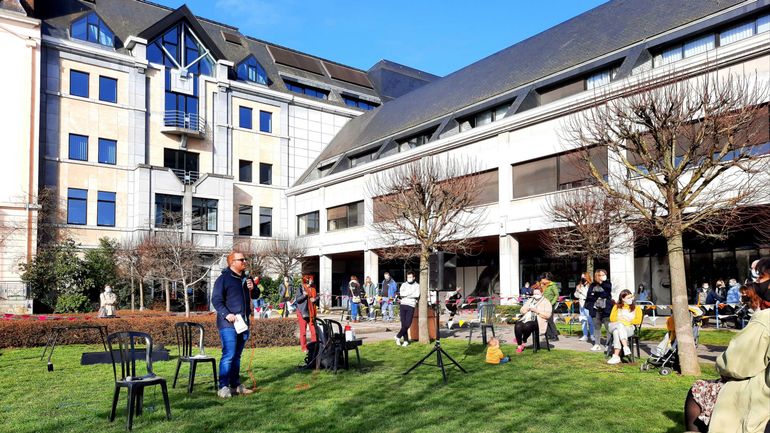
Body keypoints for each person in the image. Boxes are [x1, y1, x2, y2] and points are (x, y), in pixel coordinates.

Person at [684, 276, 770, 433]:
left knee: (698, 390)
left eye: (761, 277)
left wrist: (721, 364)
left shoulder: (764, 320)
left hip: (760, 392)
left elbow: (734, 364)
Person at [212, 251, 254, 398]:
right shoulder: (223, 279)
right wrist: (226, 314)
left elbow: (255, 296)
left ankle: (235, 385)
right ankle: (223, 387)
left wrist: (252, 288)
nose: (244, 262)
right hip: (228, 324)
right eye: (241, 259)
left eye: (245, 259)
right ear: (232, 262)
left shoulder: (245, 279)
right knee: (229, 354)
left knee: (237, 356)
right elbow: (216, 300)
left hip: (243, 323)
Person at [606, 289, 643, 365]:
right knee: (619, 325)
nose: (631, 299)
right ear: (623, 299)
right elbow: (612, 318)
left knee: (617, 332)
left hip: (628, 328)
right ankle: (625, 346)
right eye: (628, 298)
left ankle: (616, 356)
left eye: (631, 297)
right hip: (614, 325)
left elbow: (638, 321)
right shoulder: (616, 306)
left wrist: (627, 321)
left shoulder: (637, 308)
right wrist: (621, 320)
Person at [513, 286, 552, 353]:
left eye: (537, 294)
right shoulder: (530, 300)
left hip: (539, 321)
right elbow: (521, 310)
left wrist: (537, 311)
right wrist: (527, 309)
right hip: (527, 318)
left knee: (527, 325)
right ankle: (519, 345)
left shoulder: (546, 302)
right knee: (518, 325)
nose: (535, 295)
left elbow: (548, 315)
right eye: (534, 294)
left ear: (542, 293)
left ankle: (523, 340)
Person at [585, 269, 612, 352]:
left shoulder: (607, 284)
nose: (603, 276)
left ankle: (608, 344)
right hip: (595, 309)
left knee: (608, 327)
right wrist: (596, 294)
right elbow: (589, 296)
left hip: (605, 308)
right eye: (601, 275)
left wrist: (596, 293)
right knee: (597, 327)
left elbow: (606, 293)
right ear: (597, 276)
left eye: (604, 274)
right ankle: (597, 344)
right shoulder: (592, 285)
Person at [394, 271, 420, 347]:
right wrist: (410, 294)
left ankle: (398, 336)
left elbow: (416, 294)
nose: (409, 278)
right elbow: (401, 293)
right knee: (403, 324)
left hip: (411, 305)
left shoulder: (417, 286)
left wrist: (407, 294)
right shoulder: (404, 284)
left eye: (410, 277)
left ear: (414, 278)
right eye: (408, 277)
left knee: (408, 323)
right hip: (403, 304)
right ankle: (405, 340)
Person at [294, 275, 317, 353]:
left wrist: (315, 299)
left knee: (313, 330)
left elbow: (317, 297)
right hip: (302, 311)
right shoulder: (301, 288)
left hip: (311, 312)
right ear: (306, 280)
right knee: (303, 331)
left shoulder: (313, 288)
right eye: (310, 279)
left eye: (312, 280)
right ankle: (304, 348)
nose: (312, 281)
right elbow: (298, 300)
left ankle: (314, 346)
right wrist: (304, 295)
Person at [536, 272, 560, 341]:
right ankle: (549, 335)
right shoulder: (543, 285)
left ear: (546, 279)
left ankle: (555, 336)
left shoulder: (553, 285)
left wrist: (552, 303)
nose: (541, 280)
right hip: (544, 305)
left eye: (542, 278)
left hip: (550, 305)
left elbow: (556, 295)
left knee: (550, 320)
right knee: (545, 320)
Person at [574, 272, 593, 342]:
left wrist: (581, 291)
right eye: (582, 277)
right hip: (581, 304)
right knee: (583, 320)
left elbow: (589, 295)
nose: (583, 279)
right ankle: (585, 335)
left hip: (588, 304)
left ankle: (592, 335)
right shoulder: (579, 286)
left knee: (590, 320)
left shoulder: (591, 285)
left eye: (584, 277)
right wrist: (577, 290)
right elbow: (576, 295)